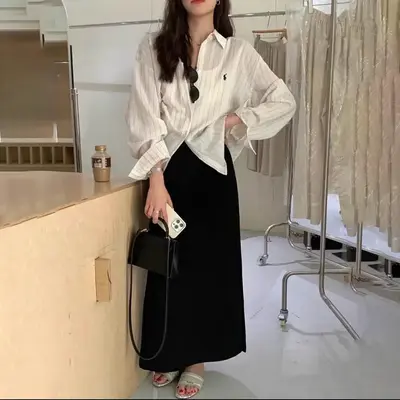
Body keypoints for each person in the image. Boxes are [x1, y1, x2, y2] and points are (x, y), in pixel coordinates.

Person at [126, 0, 296, 398]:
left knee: (208, 268)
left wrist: (236, 119)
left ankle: (197, 359)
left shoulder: (238, 53)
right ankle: (169, 350)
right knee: (168, 265)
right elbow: (145, 114)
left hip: (213, 173)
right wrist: (155, 178)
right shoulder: (154, 47)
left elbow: (283, 100)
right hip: (167, 172)